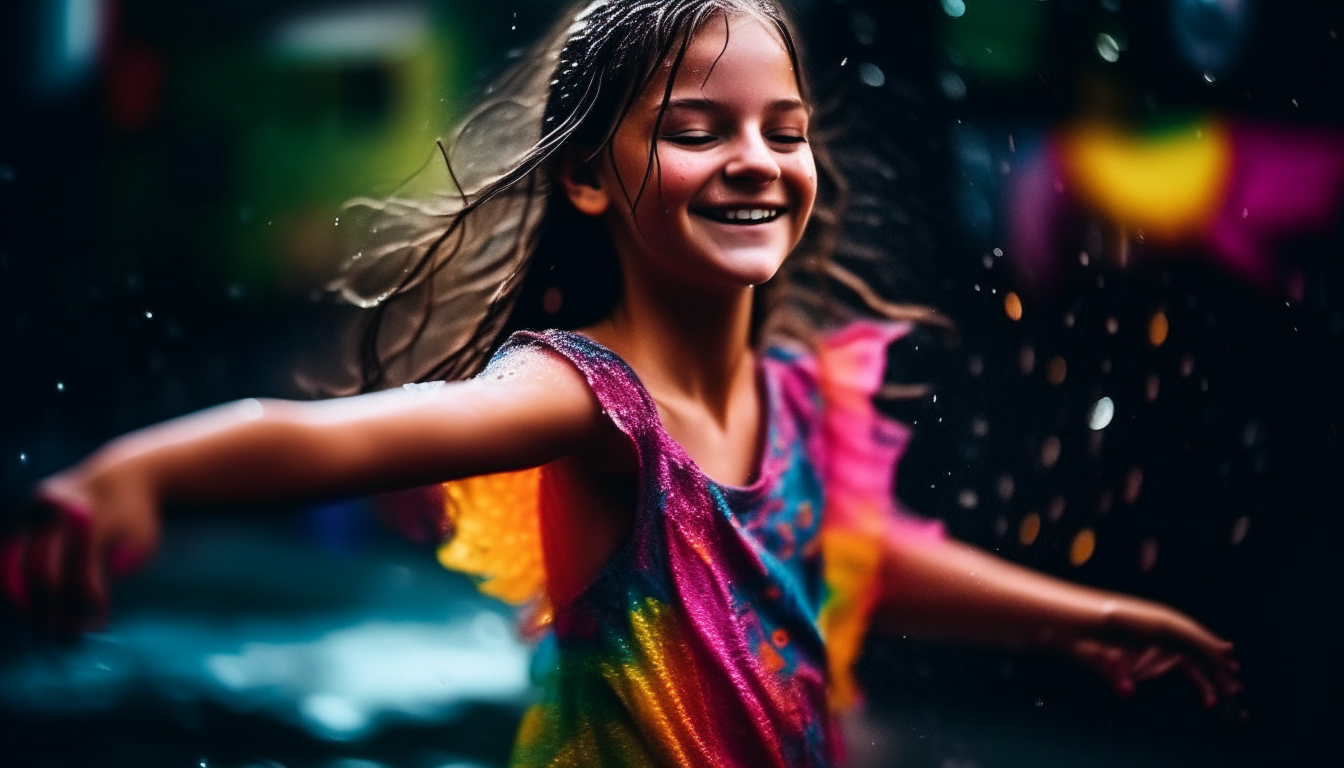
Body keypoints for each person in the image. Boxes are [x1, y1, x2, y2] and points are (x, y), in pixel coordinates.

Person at [1, 1, 1239, 766]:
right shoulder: (590, 402)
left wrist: (1081, 615)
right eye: (697, 128)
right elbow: (340, 438)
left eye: (784, 129)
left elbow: (855, 560)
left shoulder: (796, 400)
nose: (755, 160)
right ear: (591, 177)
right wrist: (138, 471)